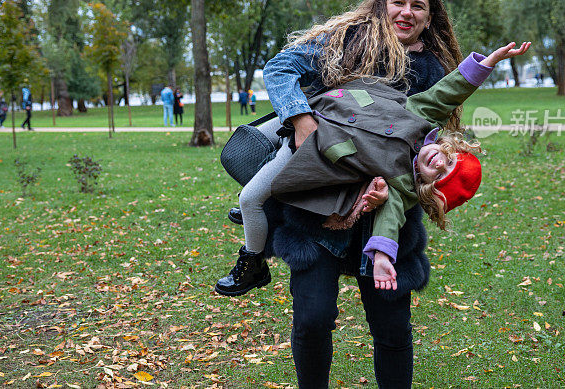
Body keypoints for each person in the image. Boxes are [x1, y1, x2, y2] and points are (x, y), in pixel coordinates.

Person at [215, 41, 528, 295]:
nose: (440, 163)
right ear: (448, 147)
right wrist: (488, 62)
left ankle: (253, 262)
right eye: (449, 159)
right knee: (245, 145)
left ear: (430, 188)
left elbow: (389, 219)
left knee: (250, 198)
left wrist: (381, 257)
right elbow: (450, 90)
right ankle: (261, 209)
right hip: (318, 106)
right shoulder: (422, 116)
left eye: (441, 174)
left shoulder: (402, 183)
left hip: (315, 142)